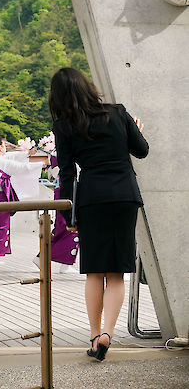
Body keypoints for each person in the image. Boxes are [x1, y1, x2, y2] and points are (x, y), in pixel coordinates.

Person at [49, 67, 149, 361]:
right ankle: (108, 333)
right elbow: (141, 150)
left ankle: (94, 336)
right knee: (116, 272)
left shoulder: (64, 126)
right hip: (123, 196)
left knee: (94, 271)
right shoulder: (117, 113)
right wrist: (135, 132)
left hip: (92, 199)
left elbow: (67, 174)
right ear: (87, 87)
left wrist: (68, 217)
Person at [0, 135, 46, 265]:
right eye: (4, 145)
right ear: (0, 147)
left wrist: (27, 153)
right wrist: (41, 164)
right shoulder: (2, 161)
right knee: (0, 226)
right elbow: (23, 168)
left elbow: (11, 157)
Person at [33, 152, 79, 273]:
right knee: (68, 227)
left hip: (64, 190)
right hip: (68, 191)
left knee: (63, 228)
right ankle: (63, 262)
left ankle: (55, 260)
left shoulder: (58, 150)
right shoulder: (64, 149)